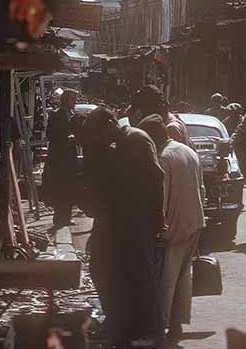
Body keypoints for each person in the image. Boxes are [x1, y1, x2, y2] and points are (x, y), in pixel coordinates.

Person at [80, 107, 165, 346]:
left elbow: (157, 179)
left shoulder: (135, 138)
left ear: (110, 123)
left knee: (143, 274)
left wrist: (158, 218)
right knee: (111, 270)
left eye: (100, 133)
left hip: (139, 219)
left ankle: (153, 333)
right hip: (122, 219)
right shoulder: (117, 145)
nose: (101, 139)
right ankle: (124, 325)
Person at [137, 115, 205, 339]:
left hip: (173, 227)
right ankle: (176, 323)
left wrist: (157, 228)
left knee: (166, 279)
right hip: (194, 222)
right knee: (184, 277)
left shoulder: (163, 157)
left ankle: (159, 327)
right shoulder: (188, 151)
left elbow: (161, 198)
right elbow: (201, 189)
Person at [44, 88, 80, 229]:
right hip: (59, 157)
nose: (75, 102)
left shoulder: (73, 115)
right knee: (60, 188)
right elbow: (51, 135)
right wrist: (67, 139)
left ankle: (67, 216)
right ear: (65, 99)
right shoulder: (56, 115)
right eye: (73, 99)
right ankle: (59, 218)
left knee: (70, 187)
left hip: (70, 157)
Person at [129, 84, 194, 151]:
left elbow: (171, 158)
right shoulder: (173, 121)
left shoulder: (171, 128)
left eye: (144, 110)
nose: (143, 115)